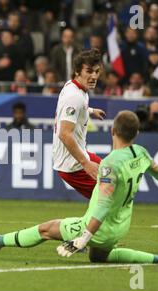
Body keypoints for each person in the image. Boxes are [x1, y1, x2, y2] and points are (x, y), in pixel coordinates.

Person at [0, 111, 158, 264]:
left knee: (47, 229)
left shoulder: (110, 164)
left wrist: (84, 237)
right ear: (136, 133)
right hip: (120, 227)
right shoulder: (140, 152)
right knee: (98, 257)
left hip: (97, 229)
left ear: (112, 130)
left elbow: (103, 204)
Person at [53, 49, 106, 199]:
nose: (94, 76)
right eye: (89, 71)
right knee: (109, 197)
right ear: (77, 71)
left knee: (113, 178)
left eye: (96, 71)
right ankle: (87, 223)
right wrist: (86, 163)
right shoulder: (74, 96)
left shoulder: (74, 87)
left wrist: (89, 110)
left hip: (78, 156)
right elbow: (64, 134)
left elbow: (73, 108)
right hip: (72, 165)